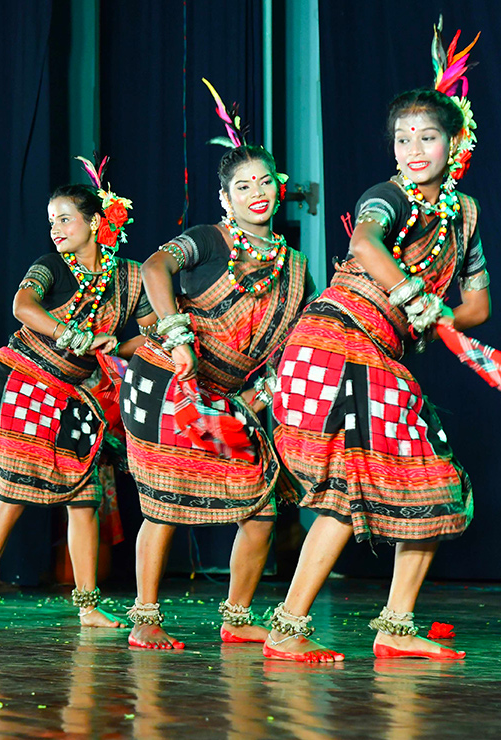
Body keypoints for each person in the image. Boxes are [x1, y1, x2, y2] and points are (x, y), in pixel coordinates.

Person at [265, 22, 490, 662]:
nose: (413, 148)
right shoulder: (386, 196)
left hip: (377, 354)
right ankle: (295, 627)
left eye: (428, 137)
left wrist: (437, 313)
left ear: (456, 143)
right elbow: (365, 243)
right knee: (375, 482)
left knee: (423, 481)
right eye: (402, 137)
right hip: (334, 341)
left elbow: (478, 304)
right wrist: (415, 299)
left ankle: (386, 626)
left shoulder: (465, 214)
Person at [120, 80, 314, 649]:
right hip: (163, 381)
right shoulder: (207, 240)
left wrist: (266, 394)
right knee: (164, 502)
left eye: (264, 182)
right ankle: (145, 618)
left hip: (223, 399)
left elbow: (291, 344)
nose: (256, 192)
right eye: (241, 185)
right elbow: (155, 269)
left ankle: (236, 616)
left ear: (279, 190)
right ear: (225, 199)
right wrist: (178, 337)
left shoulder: (296, 267)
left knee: (258, 502)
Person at [0, 160, 154, 631]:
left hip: (70, 394)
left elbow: (150, 335)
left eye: (65, 218)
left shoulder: (129, 277)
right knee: (13, 494)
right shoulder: (49, 266)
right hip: (21, 381)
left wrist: (115, 344)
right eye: (51, 221)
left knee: (83, 496)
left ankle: (87, 606)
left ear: (96, 222)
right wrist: (73, 335)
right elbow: (22, 307)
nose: (55, 229)